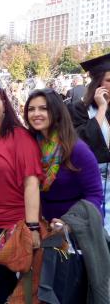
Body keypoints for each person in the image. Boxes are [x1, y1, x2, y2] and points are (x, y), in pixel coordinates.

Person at [0, 82, 42, 304]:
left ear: (4, 104)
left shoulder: (19, 137)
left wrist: (32, 227)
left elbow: (31, 183)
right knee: (6, 281)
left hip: (11, 225)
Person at [24, 88, 103, 222]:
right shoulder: (29, 146)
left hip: (74, 229)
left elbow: (94, 195)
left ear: (56, 111)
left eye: (44, 108)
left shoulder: (77, 149)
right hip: (41, 225)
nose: (36, 114)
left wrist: (69, 222)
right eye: (31, 109)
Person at [68, 52, 110, 234]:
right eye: (109, 80)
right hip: (91, 182)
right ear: (98, 83)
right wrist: (102, 108)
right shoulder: (79, 109)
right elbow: (83, 142)